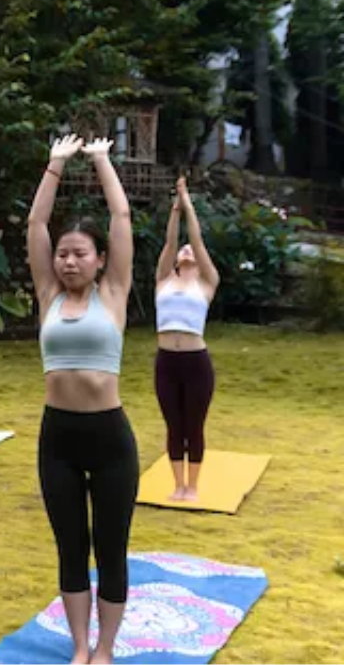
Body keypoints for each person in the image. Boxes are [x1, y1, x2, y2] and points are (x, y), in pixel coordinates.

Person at [27, 134, 138, 664]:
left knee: (109, 550)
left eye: (79, 254)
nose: (68, 261)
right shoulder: (48, 295)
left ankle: (106, 649)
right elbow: (34, 227)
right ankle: (77, 647)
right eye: (63, 254)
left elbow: (120, 218)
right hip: (59, 440)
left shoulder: (112, 294)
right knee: (70, 547)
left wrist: (99, 160)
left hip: (110, 439)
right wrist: (54, 165)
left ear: (98, 261)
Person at [154, 176, 219, 502]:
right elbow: (170, 242)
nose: (185, 248)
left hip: (196, 362)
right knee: (173, 425)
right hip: (166, 361)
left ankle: (192, 487)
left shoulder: (206, 283)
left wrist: (188, 203)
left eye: (189, 248)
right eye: (183, 248)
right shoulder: (164, 280)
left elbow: (197, 240)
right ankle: (176, 485)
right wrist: (174, 211)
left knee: (194, 425)